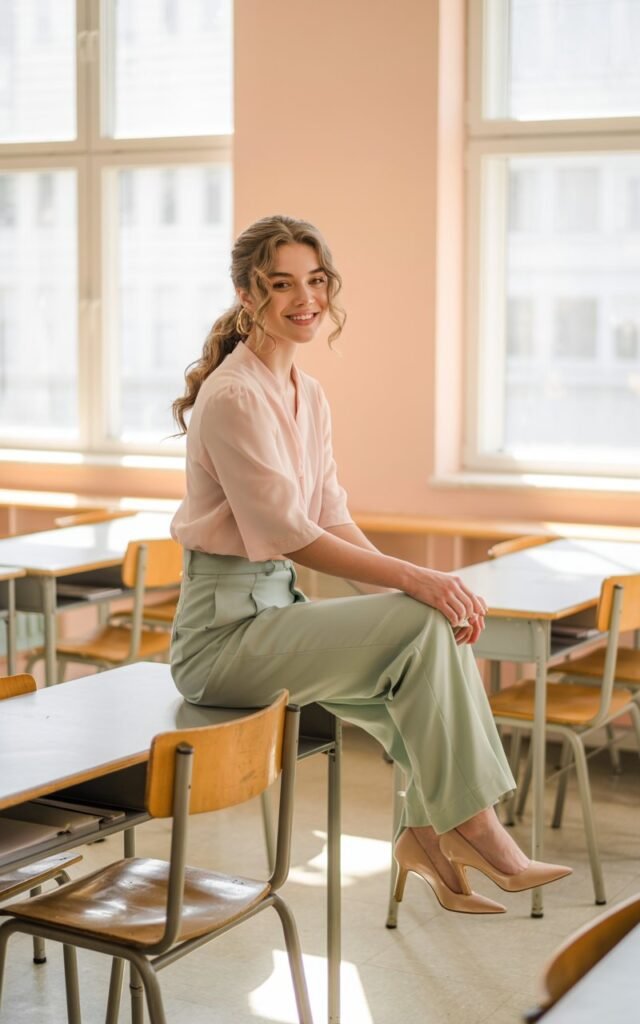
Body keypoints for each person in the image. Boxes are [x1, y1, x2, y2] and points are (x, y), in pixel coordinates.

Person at [170, 214, 571, 915]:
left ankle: (424, 836)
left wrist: (419, 593)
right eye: (282, 284)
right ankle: (475, 830)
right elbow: (289, 534)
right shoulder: (233, 395)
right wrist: (417, 580)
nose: (307, 299)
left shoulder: (308, 395)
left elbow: (331, 515)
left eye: (317, 281)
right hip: (220, 640)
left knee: (424, 633)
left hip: (275, 614)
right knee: (418, 618)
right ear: (246, 295)